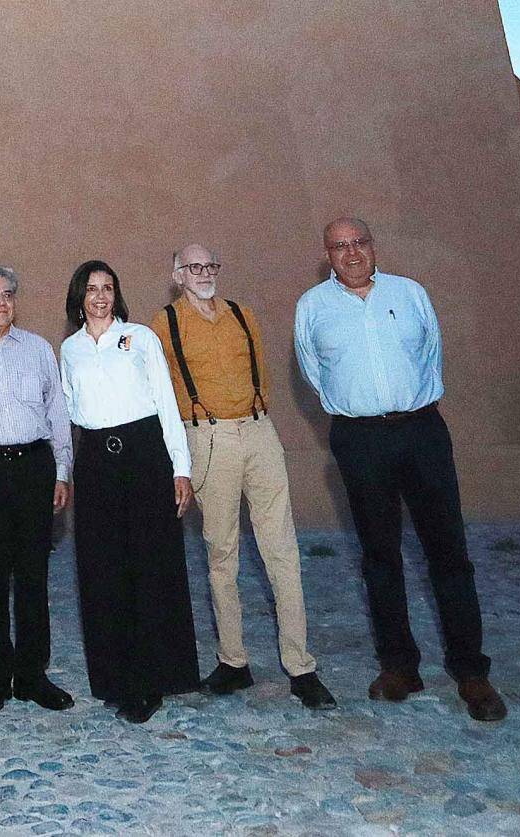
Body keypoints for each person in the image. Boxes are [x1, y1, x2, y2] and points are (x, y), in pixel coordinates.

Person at [292, 218, 507, 723]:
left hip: (421, 432)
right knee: (379, 556)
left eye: (359, 243)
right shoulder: (312, 307)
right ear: (327, 255)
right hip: (360, 439)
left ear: (373, 246)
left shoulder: (410, 293)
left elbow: (431, 354)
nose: (351, 253)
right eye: (339, 246)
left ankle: (471, 672)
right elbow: (313, 371)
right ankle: (399, 666)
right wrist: (358, 409)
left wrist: (409, 405)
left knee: (449, 553)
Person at [154, 244, 335, 710]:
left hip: (259, 431)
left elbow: (263, 374)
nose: (204, 274)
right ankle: (233, 661)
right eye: (194, 267)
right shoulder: (164, 325)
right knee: (221, 553)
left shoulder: (241, 314)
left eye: (210, 265)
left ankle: (301, 666)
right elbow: (159, 392)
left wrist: (256, 420)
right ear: (177, 275)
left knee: (282, 549)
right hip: (207, 437)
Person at [60, 260, 199, 724]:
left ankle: (152, 679)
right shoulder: (71, 350)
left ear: (116, 295)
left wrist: (181, 468)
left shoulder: (141, 338)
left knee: (150, 566)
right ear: (79, 297)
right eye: (91, 289)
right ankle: (114, 678)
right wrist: (64, 470)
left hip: (145, 456)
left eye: (108, 288)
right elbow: (69, 412)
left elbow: (166, 403)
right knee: (103, 571)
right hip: (96, 463)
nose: (100, 296)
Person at [0, 266, 75, 714]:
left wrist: (61, 471)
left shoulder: (39, 349)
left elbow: (57, 413)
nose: (1, 302)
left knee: (33, 576)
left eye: (7, 294)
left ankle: (32, 675)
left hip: (34, 468)